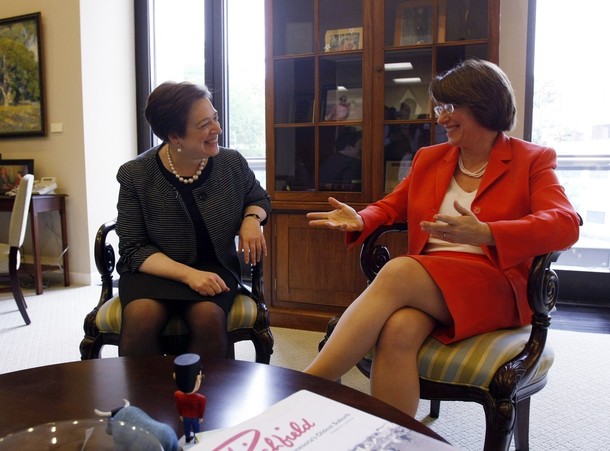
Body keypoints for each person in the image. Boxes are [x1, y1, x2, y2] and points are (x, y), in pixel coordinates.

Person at [304, 59, 580, 416]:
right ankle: (394, 439)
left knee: (400, 271)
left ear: (483, 105)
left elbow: (565, 224)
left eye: (449, 107)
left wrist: (489, 233)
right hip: (431, 282)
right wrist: (361, 217)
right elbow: (392, 206)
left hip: (494, 284)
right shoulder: (430, 158)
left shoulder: (532, 159)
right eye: (439, 108)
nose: (440, 118)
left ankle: (308, 385)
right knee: (398, 329)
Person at [115, 81, 271, 359]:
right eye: (204, 125)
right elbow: (133, 249)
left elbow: (259, 198)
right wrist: (189, 275)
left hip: (214, 266)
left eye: (216, 118)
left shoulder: (231, 163)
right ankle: (145, 400)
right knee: (142, 316)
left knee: (208, 316)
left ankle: (201, 399)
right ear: (174, 137)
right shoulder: (134, 175)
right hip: (154, 272)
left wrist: (251, 219)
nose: (217, 130)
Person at [173, 353, 206, 443]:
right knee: (196, 430)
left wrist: (180, 414)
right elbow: (201, 409)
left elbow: (178, 406)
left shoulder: (177, 394)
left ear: (175, 376)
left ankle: (187, 438)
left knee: (186, 428)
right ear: (198, 378)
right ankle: (196, 440)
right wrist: (201, 417)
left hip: (185, 416)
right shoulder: (201, 398)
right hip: (195, 417)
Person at [319, 126, 362, 191]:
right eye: (360, 146)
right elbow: (350, 190)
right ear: (349, 147)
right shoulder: (353, 164)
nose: (362, 150)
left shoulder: (327, 162)